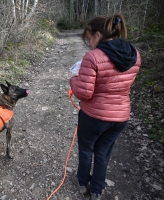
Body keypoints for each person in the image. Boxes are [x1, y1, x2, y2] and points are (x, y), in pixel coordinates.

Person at [69, 14, 141, 200]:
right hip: (120, 117)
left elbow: (84, 93)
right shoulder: (134, 54)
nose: (89, 43)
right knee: (103, 152)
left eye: (89, 38)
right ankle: (98, 190)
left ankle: (83, 183)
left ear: (98, 35)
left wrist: (74, 79)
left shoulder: (93, 57)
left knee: (86, 150)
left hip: (94, 117)